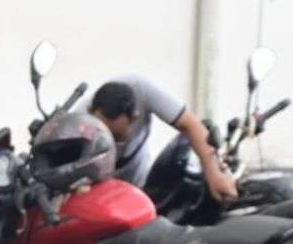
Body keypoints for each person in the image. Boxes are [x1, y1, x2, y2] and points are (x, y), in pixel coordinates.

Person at [85, 75, 238, 203]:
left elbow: (190, 125)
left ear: (134, 118)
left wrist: (214, 173)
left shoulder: (143, 89)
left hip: (139, 188)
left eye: (116, 136)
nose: (111, 142)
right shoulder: (79, 119)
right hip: (99, 197)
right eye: (103, 134)